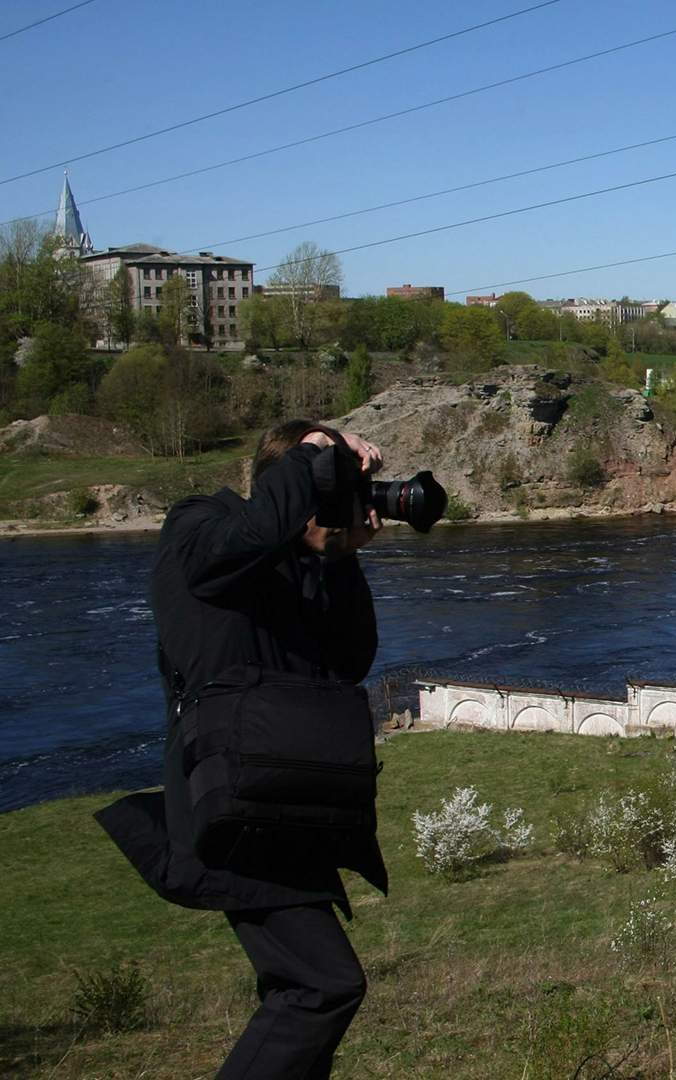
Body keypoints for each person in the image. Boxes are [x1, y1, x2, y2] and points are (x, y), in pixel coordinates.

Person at [97, 419, 391, 1079]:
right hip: (233, 796)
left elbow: (350, 659)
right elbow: (247, 537)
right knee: (321, 984)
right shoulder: (199, 526)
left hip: (286, 795)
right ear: (291, 477)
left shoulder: (298, 562)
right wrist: (319, 449)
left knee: (300, 985)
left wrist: (338, 557)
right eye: (333, 481)